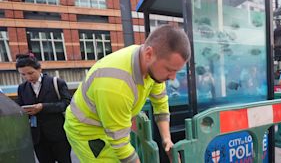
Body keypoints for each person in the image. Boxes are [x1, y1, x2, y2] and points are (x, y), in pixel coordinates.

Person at [64, 25, 191, 163]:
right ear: (148, 54)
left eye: (176, 71)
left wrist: (167, 140)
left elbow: (160, 101)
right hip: (88, 132)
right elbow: (121, 145)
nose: (173, 77)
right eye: (169, 69)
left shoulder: (151, 65)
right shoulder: (115, 85)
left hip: (111, 126)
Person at [15, 53, 72, 163]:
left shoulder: (56, 82)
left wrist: (43, 107)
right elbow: (19, 106)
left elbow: (67, 103)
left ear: (39, 69)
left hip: (58, 134)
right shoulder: (22, 88)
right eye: (23, 75)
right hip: (37, 137)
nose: (28, 77)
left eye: (31, 73)